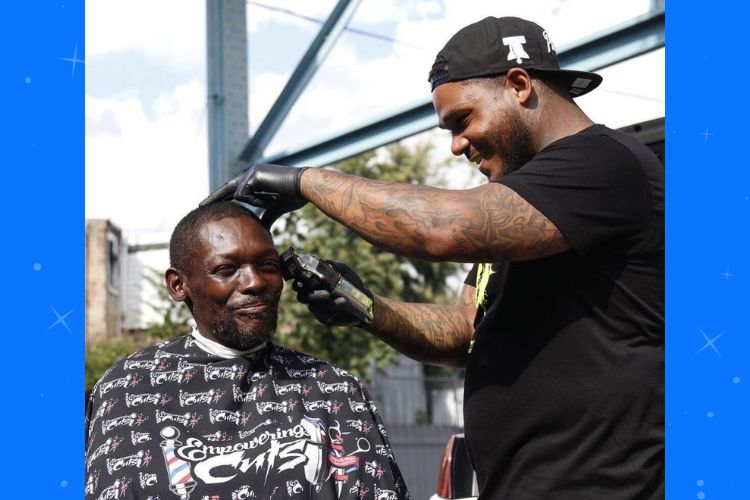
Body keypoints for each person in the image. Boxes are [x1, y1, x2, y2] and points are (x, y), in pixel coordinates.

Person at [203, 15, 665, 500]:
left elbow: (439, 229)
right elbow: (465, 333)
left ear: (519, 85)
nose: (456, 146)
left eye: (462, 121)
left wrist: (305, 181)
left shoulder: (605, 163)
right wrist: (362, 306)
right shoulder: (530, 208)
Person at [85, 201, 410, 500]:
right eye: (227, 270)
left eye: (267, 265)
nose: (255, 281)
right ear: (178, 285)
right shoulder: (127, 387)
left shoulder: (332, 389)